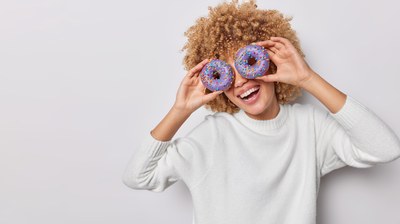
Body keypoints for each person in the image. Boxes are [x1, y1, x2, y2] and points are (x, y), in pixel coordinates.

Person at [122, 0, 400, 223]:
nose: (240, 81)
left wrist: (308, 79)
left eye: (247, 63)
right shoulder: (212, 134)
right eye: (226, 75)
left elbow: (384, 148)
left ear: (270, 63)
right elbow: (138, 177)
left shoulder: (309, 127)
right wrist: (179, 111)